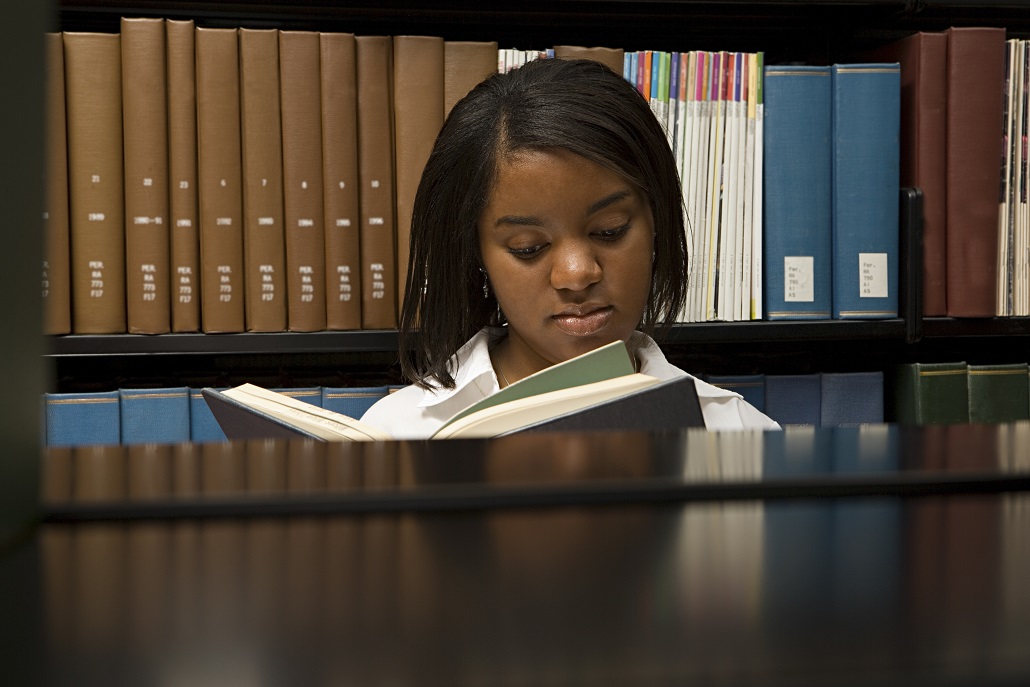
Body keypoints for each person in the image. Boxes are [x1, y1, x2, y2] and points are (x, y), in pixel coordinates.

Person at [361, 57, 778, 437]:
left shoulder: (740, 432)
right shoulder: (394, 434)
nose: (577, 273)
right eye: (528, 248)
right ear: (477, 255)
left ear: (657, 223)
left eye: (610, 231)